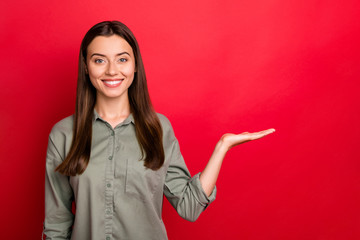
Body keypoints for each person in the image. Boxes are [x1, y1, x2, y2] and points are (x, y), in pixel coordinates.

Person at [43, 20, 275, 240]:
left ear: (135, 66)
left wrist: (222, 148)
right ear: (86, 66)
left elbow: (190, 205)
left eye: (122, 59)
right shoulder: (64, 134)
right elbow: (56, 222)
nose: (112, 70)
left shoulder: (158, 129)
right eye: (99, 60)